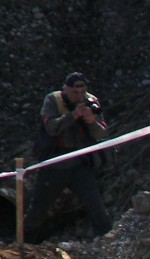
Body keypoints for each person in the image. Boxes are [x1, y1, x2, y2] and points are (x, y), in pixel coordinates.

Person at [23, 72, 112, 243]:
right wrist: (73, 116)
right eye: (75, 93)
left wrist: (91, 121)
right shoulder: (53, 101)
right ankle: (25, 244)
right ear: (66, 89)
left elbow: (102, 133)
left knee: (96, 204)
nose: (79, 97)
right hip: (54, 163)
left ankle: (108, 240)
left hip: (80, 163)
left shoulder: (91, 101)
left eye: (82, 92)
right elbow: (51, 128)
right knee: (38, 208)